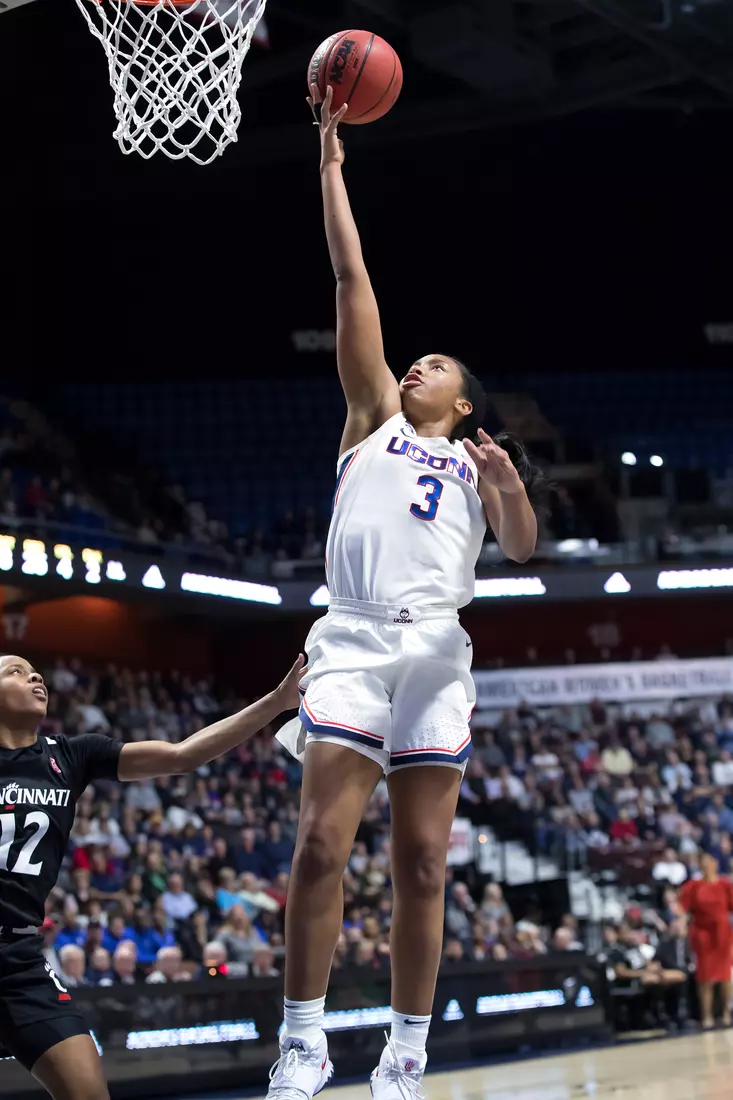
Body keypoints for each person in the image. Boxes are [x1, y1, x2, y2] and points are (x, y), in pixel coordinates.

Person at [269, 83, 540, 1100]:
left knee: (425, 861)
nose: (411, 363)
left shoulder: (477, 462)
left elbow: (517, 553)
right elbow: (349, 280)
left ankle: (405, 1054)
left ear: (462, 400)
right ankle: (301, 1040)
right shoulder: (370, 421)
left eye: (432, 364)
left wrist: (510, 491)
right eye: (409, 359)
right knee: (318, 842)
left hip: (435, 649)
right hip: (351, 640)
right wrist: (332, 169)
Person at [0, 652, 303, 1100]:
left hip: (20, 962)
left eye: (35, 670)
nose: (35, 676)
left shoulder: (70, 755)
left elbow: (183, 756)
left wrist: (276, 703)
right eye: (15, 672)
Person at [680, 852, 733, 1028]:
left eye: (708, 862)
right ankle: (707, 1015)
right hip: (703, 935)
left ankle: (725, 1012)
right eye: (702, 863)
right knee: (705, 978)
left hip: (723, 934)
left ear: (715, 864)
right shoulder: (693, 886)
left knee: (726, 976)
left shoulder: (725, 885)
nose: (706, 866)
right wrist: (681, 923)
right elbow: (682, 908)